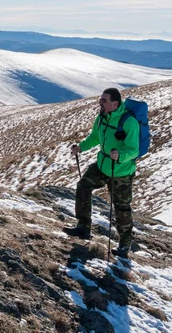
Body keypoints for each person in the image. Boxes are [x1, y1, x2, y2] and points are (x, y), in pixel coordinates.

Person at [64, 88, 139, 258]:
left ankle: (124, 244)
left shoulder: (129, 122)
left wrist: (120, 155)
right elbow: (95, 137)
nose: (100, 103)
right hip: (102, 164)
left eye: (104, 100)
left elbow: (134, 150)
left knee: (121, 207)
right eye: (101, 100)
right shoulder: (102, 117)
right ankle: (83, 227)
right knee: (83, 185)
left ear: (115, 103)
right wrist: (81, 147)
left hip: (121, 171)